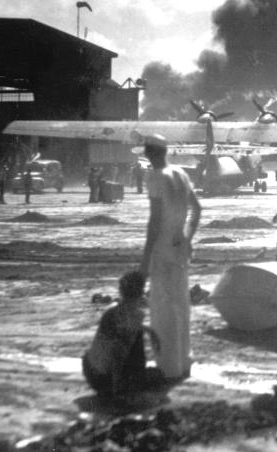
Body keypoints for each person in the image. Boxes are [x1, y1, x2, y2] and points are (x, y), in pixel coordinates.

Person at [139, 133, 201, 382]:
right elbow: (197, 209)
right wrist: (187, 237)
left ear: (150, 153)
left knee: (163, 308)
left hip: (163, 247)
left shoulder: (155, 177)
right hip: (179, 246)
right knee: (181, 305)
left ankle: (168, 367)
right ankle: (184, 362)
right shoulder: (181, 174)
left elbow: (154, 222)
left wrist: (144, 259)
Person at [82, 270, 160, 398]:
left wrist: (149, 330)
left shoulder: (112, 311)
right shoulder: (134, 317)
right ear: (141, 294)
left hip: (91, 371)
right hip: (105, 379)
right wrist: (117, 386)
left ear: (121, 292)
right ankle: (124, 385)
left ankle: (126, 382)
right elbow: (118, 352)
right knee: (157, 377)